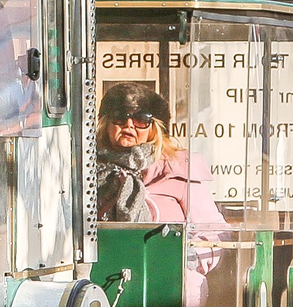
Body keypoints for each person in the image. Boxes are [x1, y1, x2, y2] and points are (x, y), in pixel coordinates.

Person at [93, 82, 227, 232]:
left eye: (141, 120)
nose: (129, 124)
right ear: (106, 124)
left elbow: (214, 233)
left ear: (155, 128)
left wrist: (185, 253)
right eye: (120, 117)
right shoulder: (88, 171)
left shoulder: (175, 169)